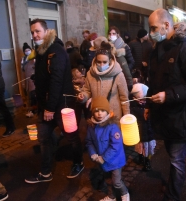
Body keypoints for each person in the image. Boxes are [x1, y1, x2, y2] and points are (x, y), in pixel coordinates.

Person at [146, 9, 186, 200]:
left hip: (183, 118)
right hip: (167, 117)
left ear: (166, 25)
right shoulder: (159, 48)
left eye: (153, 27)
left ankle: (173, 195)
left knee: (177, 160)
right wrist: (149, 104)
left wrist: (168, 95)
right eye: (149, 28)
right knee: (172, 158)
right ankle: (173, 186)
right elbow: (154, 81)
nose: (150, 32)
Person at [24, 19, 84, 183]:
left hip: (62, 104)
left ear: (46, 31)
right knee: (43, 137)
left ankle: (78, 162)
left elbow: (57, 81)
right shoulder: (42, 50)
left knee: (71, 136)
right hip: (46, 105)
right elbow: (47, 75)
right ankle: (45, 173)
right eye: (32, 32)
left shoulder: (55, 50)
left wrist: (50, 108)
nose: (34, 35)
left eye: (37, 31)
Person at [86, 96, 130, 201]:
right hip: (102, 162)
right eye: (96, 111)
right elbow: (89, 141)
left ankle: (125, 193)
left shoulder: (112, 126)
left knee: (116, 181)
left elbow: (116, 146)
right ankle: (112, 196)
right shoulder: (91, 126)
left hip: (114, 160)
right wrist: (93, 153)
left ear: (107, 111)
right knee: (108, 180)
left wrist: (104, 157)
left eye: (102, 110)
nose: (100, 113)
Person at [77, 41, 130, 120]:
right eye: (99, 62)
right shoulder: (90, 74)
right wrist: (83, 96)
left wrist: (126, 117)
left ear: (110, 60)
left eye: (105, 62)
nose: (102, 65)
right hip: (96, 115)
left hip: (113, 117)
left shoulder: (118, 74)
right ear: (95, 60)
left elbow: (124, 98)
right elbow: (87, 90)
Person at [130, 83, 155, 171]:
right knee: (141, 148)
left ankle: (147, 161)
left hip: (149, 133)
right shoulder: (134, 108)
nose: (143, 101)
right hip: (140, 133)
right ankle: (141, 158)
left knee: (148, 150)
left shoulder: (149, 107)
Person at [21, 42, 36, 118]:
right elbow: (23, 72)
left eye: (28, 50)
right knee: (30, 97)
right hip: (28, 82)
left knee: (34, 96)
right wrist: (23, 83)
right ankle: (31, 110)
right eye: (25, 50)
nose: (27, 51)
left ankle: (34, 110)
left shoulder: (34, 59)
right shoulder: (24, 60)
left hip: (34, 81)